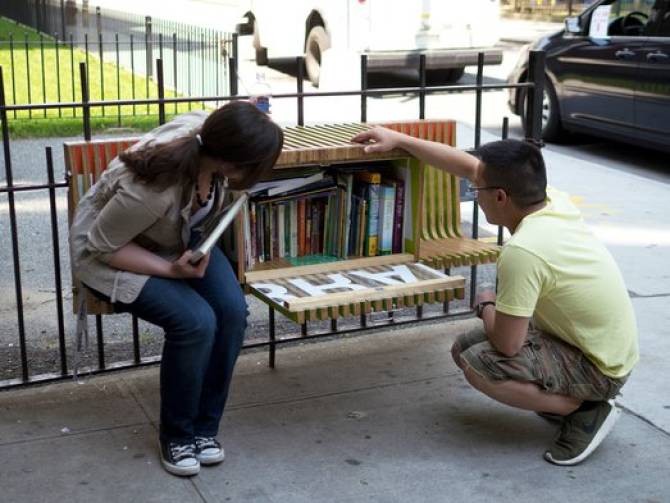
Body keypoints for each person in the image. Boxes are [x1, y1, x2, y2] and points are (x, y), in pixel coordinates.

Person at [352, 127, 639, 466]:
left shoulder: (524, 250)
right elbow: (467, 166)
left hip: (601, 368)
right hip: (599, 346)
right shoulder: (549, 202)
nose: (475, 193)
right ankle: (564, 399)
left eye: (477, 190)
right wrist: (400, 140)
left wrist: (486, 301)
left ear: (500, 197)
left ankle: (587, 409)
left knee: (480, 366)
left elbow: (507, 345)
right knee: (465, 346)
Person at [70, 101, 284, 476]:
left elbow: (232, 120)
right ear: (231, 162)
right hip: (115, 250)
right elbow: (102, 244)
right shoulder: (151, 190)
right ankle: (178, 434)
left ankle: (205, 429)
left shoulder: (209, 132)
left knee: (232, 314)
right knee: (195, 322)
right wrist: (172, 271)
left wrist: (254, 115)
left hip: (180, 235)